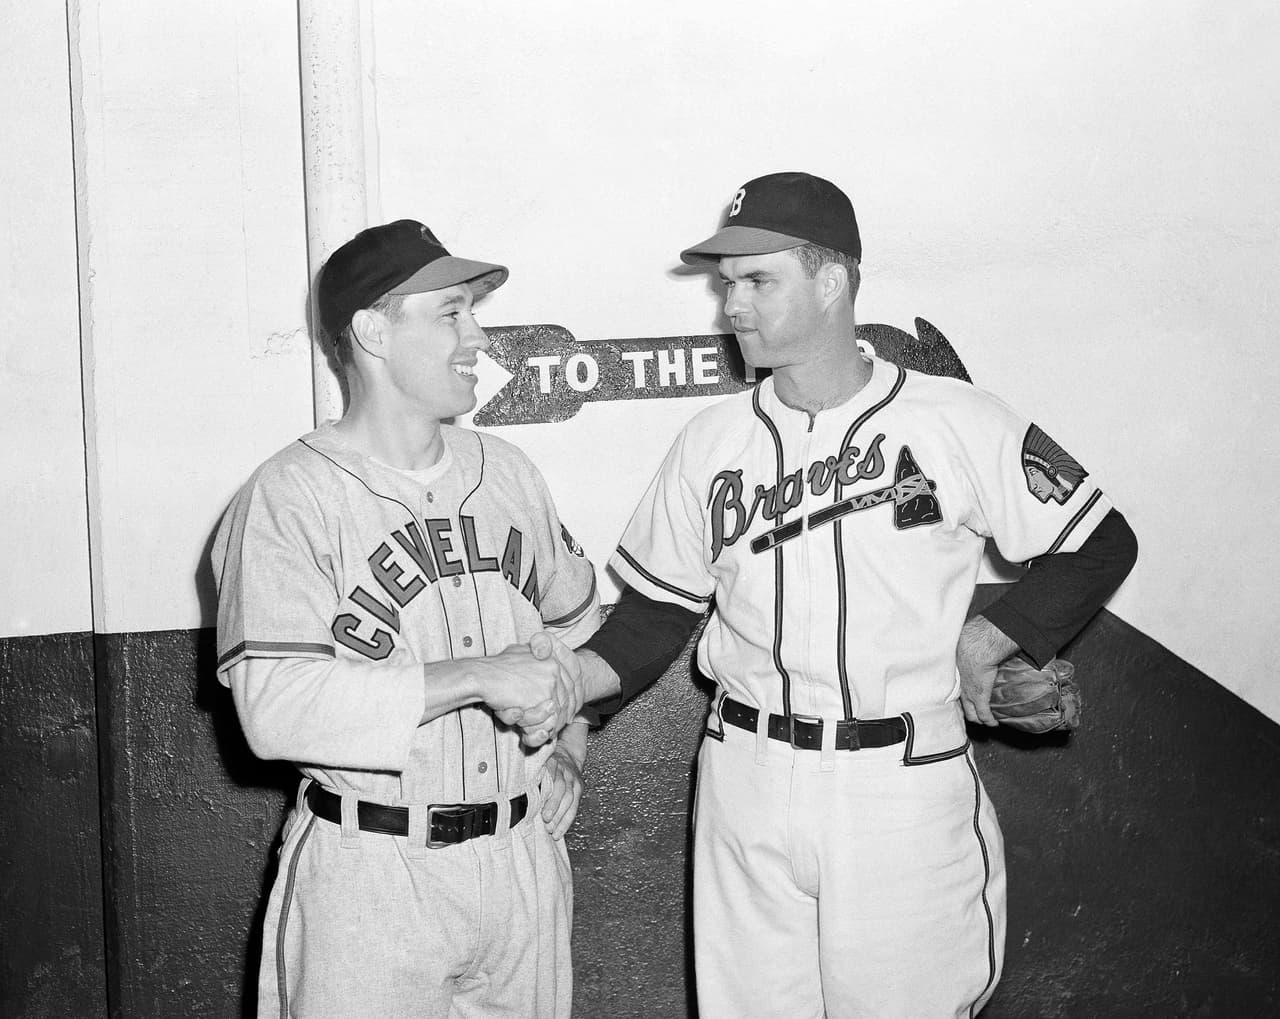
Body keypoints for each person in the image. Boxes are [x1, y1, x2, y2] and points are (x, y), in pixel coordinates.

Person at [570, 172, 1139, 1016]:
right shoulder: (712, 440)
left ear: (831, 280)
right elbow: (657, 612)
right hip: (745, 777)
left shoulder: (956, 418)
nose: (733, 305)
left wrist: (993, 639)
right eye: (728, 284)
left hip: (898, 782)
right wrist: (570, 707)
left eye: (759, 280)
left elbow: (1099, 541)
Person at [211, 219, 597, 1018]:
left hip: (521, 860)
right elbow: (274, 711)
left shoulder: (510, 472)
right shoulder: (289, 498)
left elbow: (578, 640)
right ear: (372, 331)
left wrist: (569, 745)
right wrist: (477, 677)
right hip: (372, 873)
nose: (478, 335)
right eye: (452, 312)